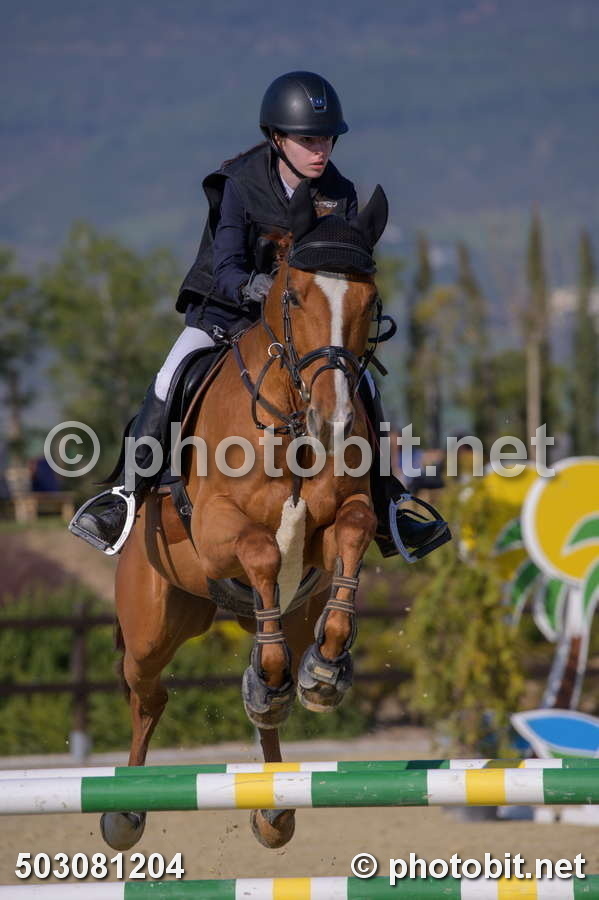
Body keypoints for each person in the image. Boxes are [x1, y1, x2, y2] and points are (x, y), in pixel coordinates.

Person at [70, 71, 448, 559]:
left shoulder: (340, 192)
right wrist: (264, 289)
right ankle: (126, 495)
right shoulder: (240, 183)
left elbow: (341, 270)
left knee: (365, 386)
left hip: (305, 326)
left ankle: (388, 500)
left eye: (327, 139)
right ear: (276, 138)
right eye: (308, 140)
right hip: (227, 312)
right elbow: (226, 265)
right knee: (170, 375)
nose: (320, 150)